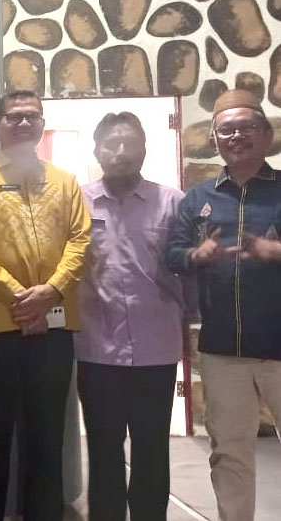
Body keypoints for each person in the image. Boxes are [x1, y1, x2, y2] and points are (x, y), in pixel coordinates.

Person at [0, 90, 90, 521]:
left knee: (47, 437)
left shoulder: (65, 181)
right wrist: (20, 296)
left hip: (54, 326)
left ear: (42, 124)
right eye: (14, 117)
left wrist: (51, 291)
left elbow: (81, 241)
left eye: (32, 116)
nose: (24, 123)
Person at [167, 89, 281, 521]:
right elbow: (172, 254)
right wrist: (196, 256)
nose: (236, 136)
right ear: (214, 139)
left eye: (247, 127)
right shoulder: (198, 197)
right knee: (229, 454)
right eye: (226, 130)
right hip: (222, 350)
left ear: (267, 135)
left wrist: (276, 252)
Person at [78, 112, 196, 521]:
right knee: (103, 447)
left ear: (144, 150)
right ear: (97, 151)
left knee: (151, 448)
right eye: (112, 143)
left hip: (156, 348)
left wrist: (191, 326)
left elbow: (188, 270)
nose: (122, 152)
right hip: (96, 347)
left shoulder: (173, 203)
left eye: (131, 143)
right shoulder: (77, 202)